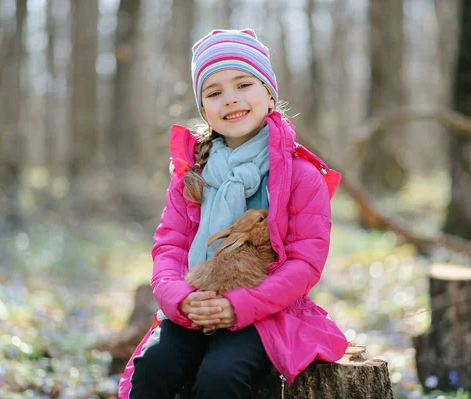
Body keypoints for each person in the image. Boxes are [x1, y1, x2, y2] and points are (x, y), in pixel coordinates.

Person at [118, 28, 348, 399]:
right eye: (214, 92)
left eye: (243, 84)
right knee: (155, 368)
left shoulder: (300, 175)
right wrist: (180, 299)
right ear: (204, 110)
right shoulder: (192, 175)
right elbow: (170, 248)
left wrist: (238, 305)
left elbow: (306, 262)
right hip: (198, 304)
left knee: (220, 377)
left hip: (267, 312)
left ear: (270, 95)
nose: (230, 99)